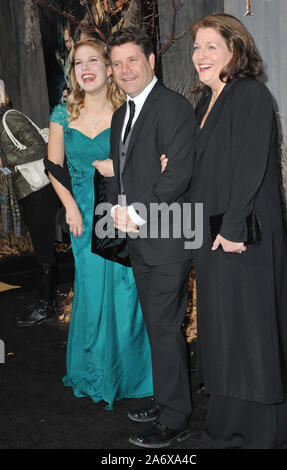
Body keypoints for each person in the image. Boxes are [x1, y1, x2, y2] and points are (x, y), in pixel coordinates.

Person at [190, 13, 287, 448]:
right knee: (224, 329)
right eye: (196, 47)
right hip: (212, 238)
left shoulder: (250, 94)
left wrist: (233, 229)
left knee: (251, 330)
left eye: (211, 46)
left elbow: (252, 166)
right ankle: (227, 423)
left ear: (236, 50)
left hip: (243, 238)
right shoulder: (204, 104)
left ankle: (260, 430)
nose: (200, 55)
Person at [46, 37, 153, 409]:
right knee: (92, 293)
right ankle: (94, 374)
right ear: (73, 72)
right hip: (81, 214)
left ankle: (131, 374)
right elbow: (53, 166)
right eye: (79, 63)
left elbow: (150, 158)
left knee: (127, 290)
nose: (86, 68)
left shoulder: (127, 107)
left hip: (121, 211)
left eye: (94, 60)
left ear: (109, 68)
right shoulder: (62, 114)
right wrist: (70, 208)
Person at [104, 27, 196, 447]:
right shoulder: (122, 114)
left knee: (164, 326)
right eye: (118, 63)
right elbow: (122, 175)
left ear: (151, 61)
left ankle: (176, 418)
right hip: (139, 239)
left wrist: (136, 211)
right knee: (158, 326)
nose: (125, 70)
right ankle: (165, 399)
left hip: (168, 238)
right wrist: (119, 213)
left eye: (132, 60)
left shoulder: (174, 108)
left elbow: (177, 174)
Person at [0, 92, 60, 326]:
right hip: (28, 192)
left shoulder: (10, 117)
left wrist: (6, 160)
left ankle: (46, 307)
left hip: (39, 192)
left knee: (45, 251)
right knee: (41, 249)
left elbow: (41, 148)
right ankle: (48, 300)